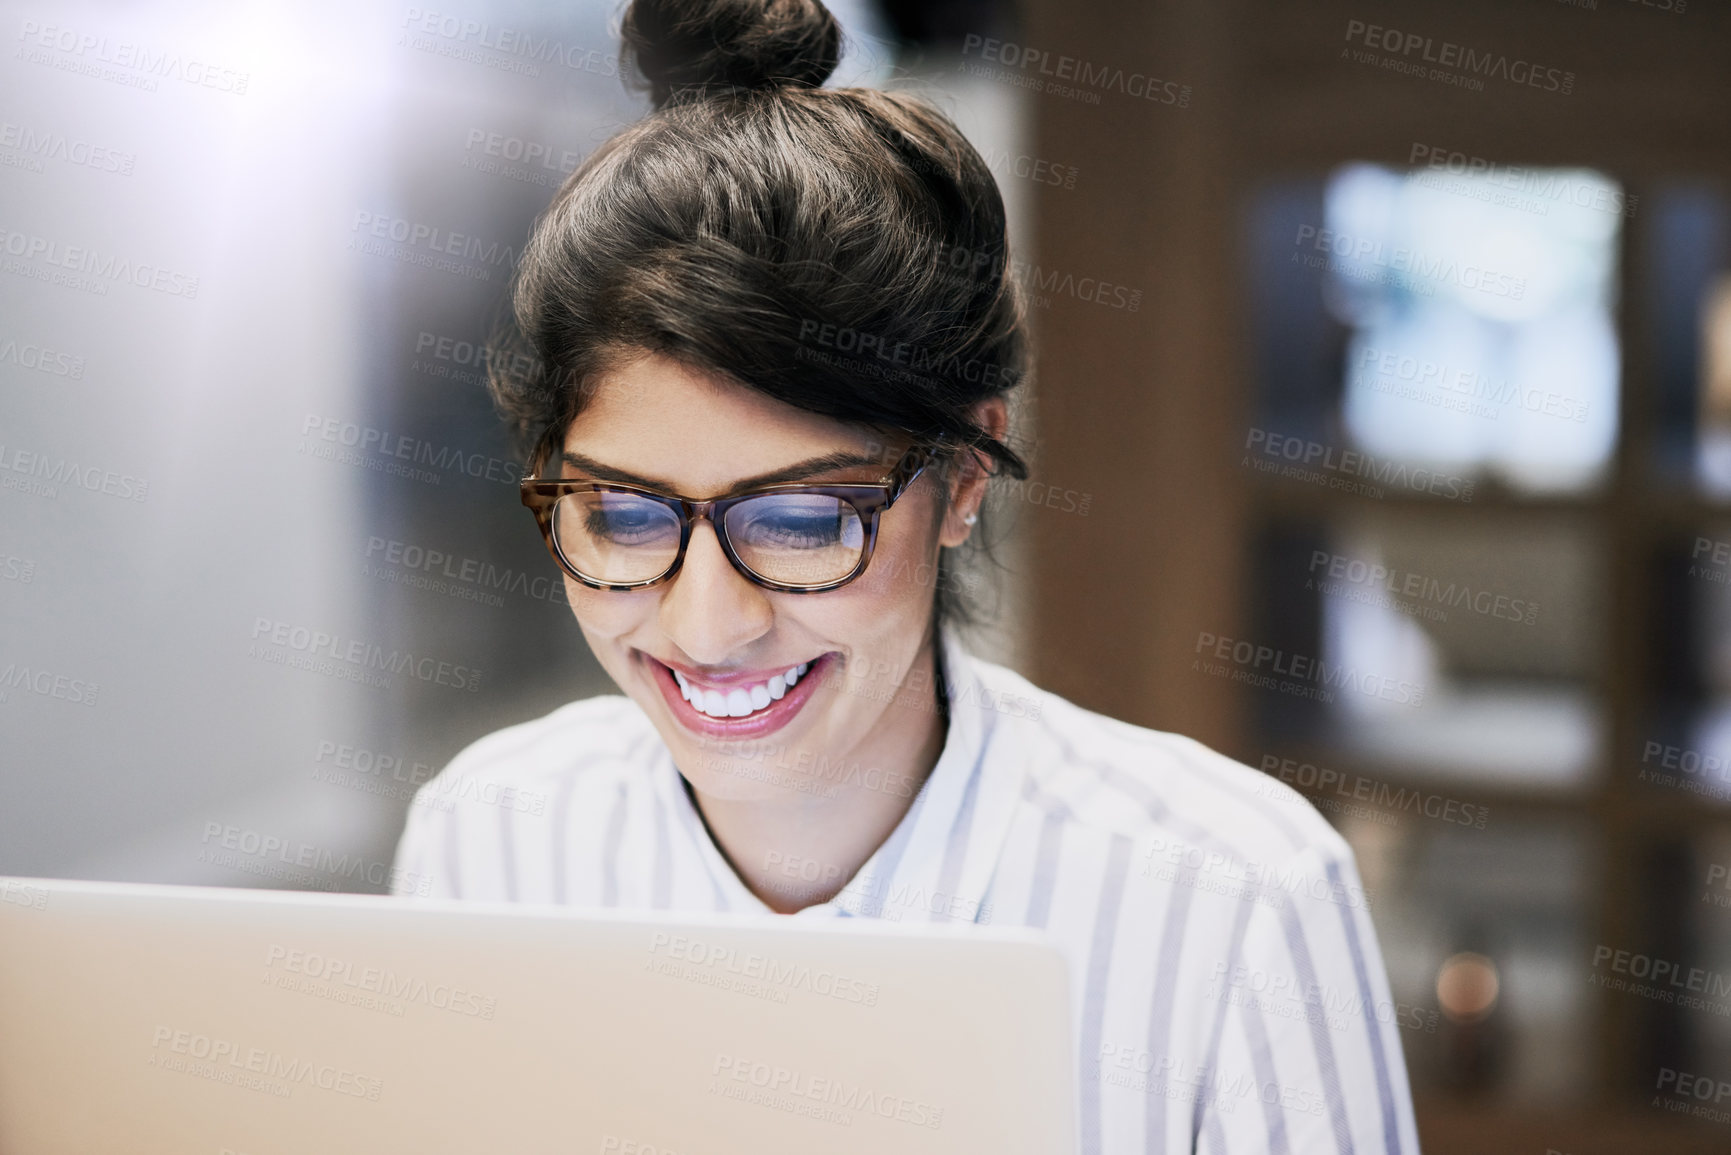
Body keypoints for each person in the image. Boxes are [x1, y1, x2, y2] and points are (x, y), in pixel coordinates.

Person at [391, 0, 1421, 1149]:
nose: (708, 625)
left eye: (798, 518)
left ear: (966, 472)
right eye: (624, 515)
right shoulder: (492, 835)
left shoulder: (1232, 897)